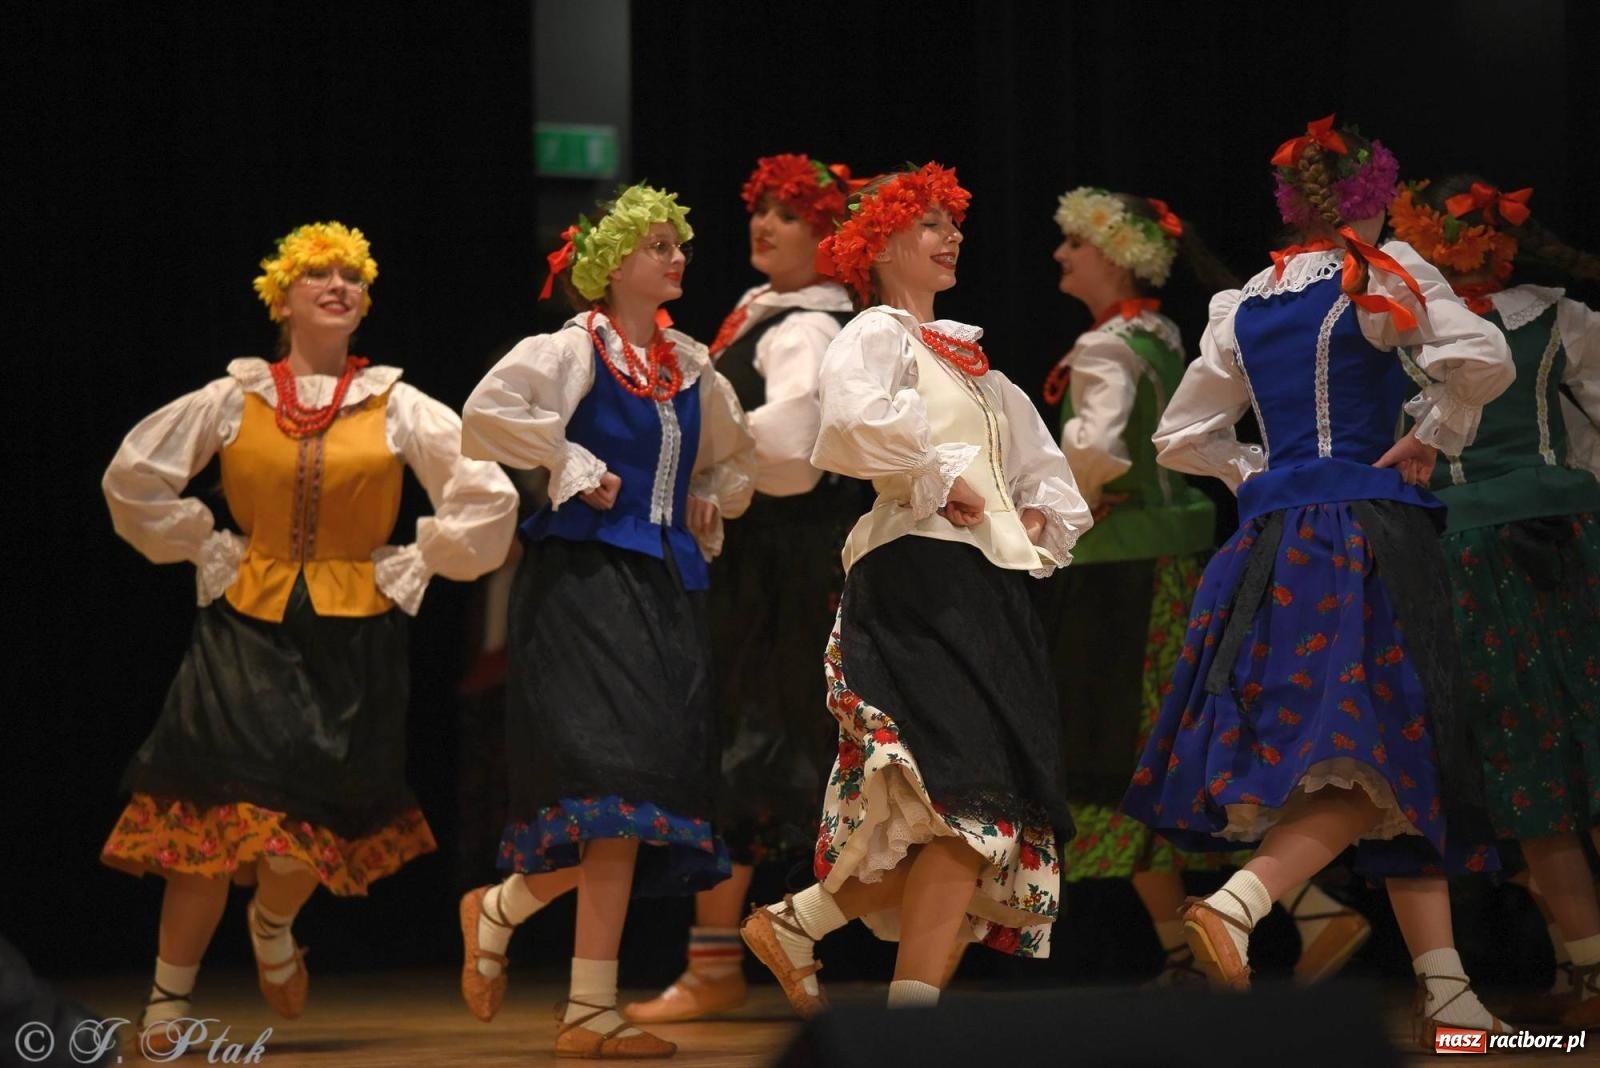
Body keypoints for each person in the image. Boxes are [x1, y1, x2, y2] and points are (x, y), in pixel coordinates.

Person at [1118, 117, 1516, 1047]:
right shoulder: (1378, 271)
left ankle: (1448, 993)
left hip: (1274, 543)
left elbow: (1181, 435)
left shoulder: (1248, 299)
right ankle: (1242, 901)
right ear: (1377, 197)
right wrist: (1431, 432)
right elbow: (1481, 359)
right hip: (1368, 539)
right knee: (1380, 743)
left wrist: (1255, 474)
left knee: (1380, 750)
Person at [101, 222, 518, 1053]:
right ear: (282, 298)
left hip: (351, 632)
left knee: (306, 835)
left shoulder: (398, 406)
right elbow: (134, 477)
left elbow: (487, 496)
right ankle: (167, 1004)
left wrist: (416, 560)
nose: (338, 286)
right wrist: (205, 542)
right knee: (208, 822)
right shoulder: (235, 398)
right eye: (319, 275)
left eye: (351, 277)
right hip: (243, 625)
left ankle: (272, 925)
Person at [738, 162, 1092, 1014]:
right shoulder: (876, 335)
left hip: (987, 592)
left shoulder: (979, 369)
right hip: (915, 584)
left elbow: (1046, 474)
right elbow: (852, 427)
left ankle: (810, 931)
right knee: (966, 806)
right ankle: (893, 1013)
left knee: (987, 815)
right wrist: (936, 476)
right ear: (881, 240)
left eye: (953, 224)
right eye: (932, 223)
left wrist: (1037, 518)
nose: (952, 237)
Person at [1042, 188, 1369, 986]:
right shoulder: (1152, 336)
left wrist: (1056, 496)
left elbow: (1102, 451)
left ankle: (1302, 909)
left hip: (1126, 572)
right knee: (1140, 754)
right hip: (1163, 562)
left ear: (1113, 254)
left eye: (1072, 245)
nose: (1059, 256)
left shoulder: (1106, 350)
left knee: (1138, 752)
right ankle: (1195, 947)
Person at [458, 183, 756, 1059]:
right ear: (613, 264)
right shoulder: (572, 350)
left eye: (677, 244)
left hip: (664, 586)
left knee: (644, 795)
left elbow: (730, 459)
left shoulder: (690, 364)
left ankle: (512, 917)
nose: (676, 258)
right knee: (613, 791)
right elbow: (489, 414)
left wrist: (706, 498)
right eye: (658, 245)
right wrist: (572, 459)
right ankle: (586, 1004)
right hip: (583, 584)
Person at [624, 154, 864, 1025]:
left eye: (788, 215)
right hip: (766, 559)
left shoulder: (806, 325)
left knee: (776, 747)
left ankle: (769, 950)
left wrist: (698, 459)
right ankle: (731, 956)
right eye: (759, 210)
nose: (765, 226)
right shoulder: (768, 314)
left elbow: (795, 447)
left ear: (828, 235)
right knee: (758, 748)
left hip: (787, 565)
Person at [1389, 176, 1600, 1028]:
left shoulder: (1556, 320)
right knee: (1537, 764)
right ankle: (1589, 966)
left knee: (1551, 762)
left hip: (1542, 549)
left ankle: (1587, 966)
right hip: (1487, 553)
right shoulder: (1418, 335)